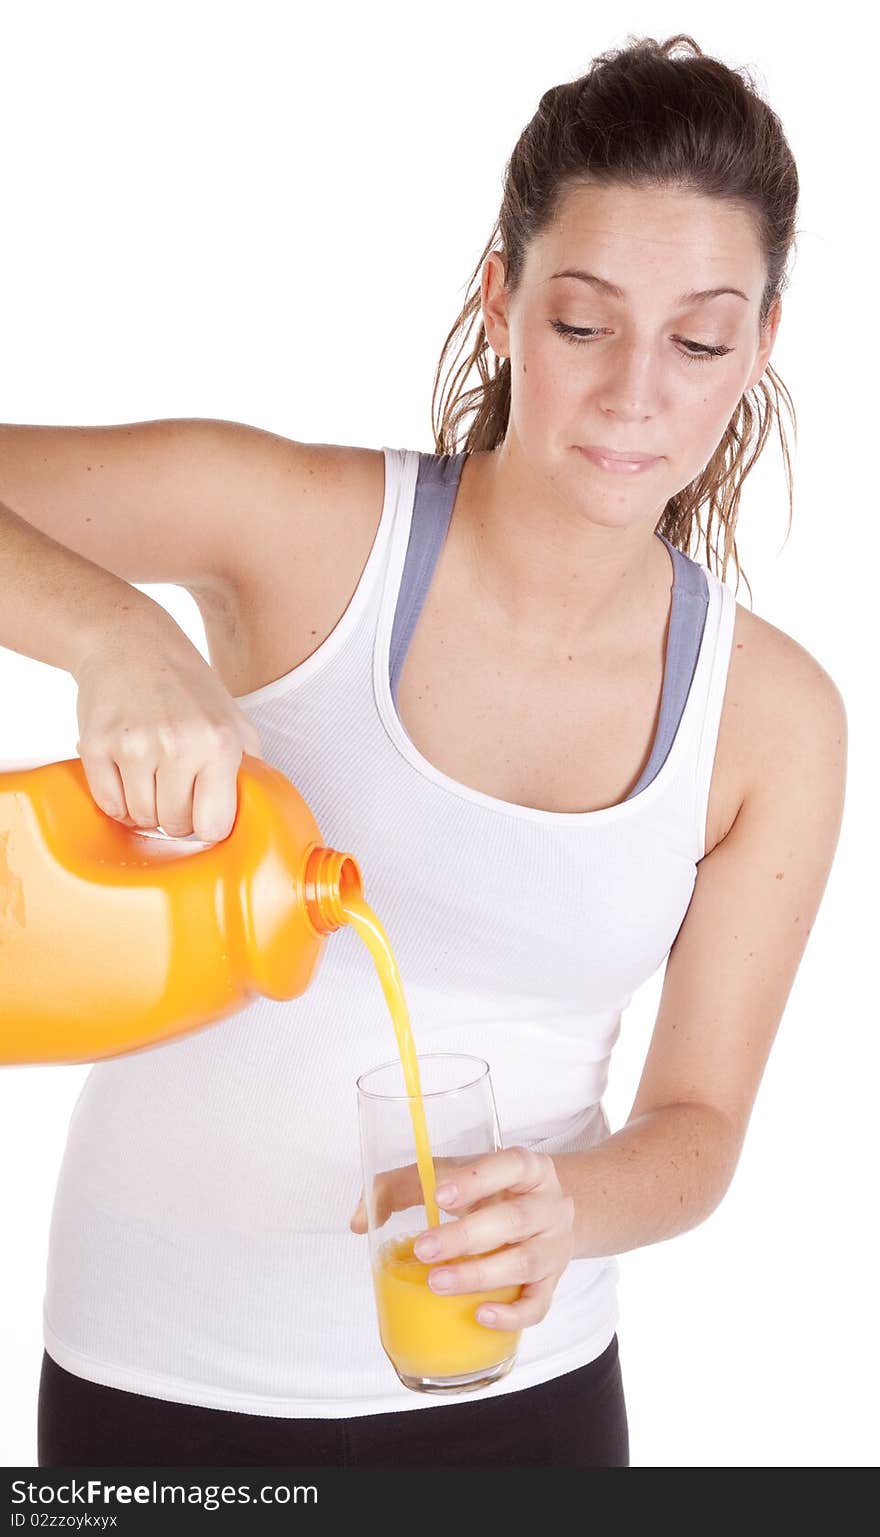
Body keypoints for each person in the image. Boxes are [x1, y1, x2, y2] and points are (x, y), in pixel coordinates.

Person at [0, 33, 846, 1468]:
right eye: (585, 324)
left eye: (700, 340)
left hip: (525, 1395)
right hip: (163, 1364)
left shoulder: (774, 719)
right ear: (502, 304)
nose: (640, 392)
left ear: (759, 348)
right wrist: (113, 638)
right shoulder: (304, 534)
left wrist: (572, 1207)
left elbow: (697, 1126)